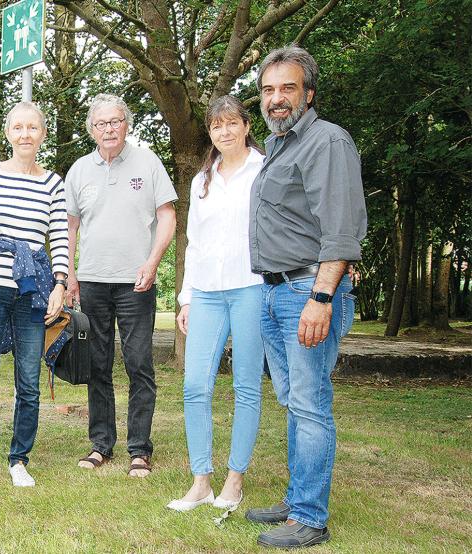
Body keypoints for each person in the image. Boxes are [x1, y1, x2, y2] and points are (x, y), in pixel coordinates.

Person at [244, 45, 367, 549]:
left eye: (288, 88)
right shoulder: (278, 146)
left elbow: (340, 232)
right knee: (293, 401)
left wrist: (321, 296)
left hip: (307, 291)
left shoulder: (327, 142)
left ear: (308, 93)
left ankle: (311, 517)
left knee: (311, 404)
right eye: (269, 90)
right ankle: (297, 501)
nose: (277, 99)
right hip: (277, 291)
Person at [65, 94, 177, 477]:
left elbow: (167, 216)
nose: (109, 129)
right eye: (101, 124)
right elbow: (70, 227)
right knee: (97, 365)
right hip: (93, 281)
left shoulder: (148, 163)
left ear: (127, 124)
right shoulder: (80, 170)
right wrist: (70, 273)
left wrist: (153, 262)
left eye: (115, 122)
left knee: (138, 363)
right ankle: (101, 445)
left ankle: (139, 449)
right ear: (92, 130)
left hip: (136, 282)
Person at [165, 96, 265, 512]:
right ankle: (201, 480)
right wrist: (186, 297)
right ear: (210, 133)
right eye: (216, 126)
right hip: (206, 292)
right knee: (194, 386)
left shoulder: (265, 169)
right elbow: (194, 242)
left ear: (245, 125)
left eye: (231, 124)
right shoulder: (201, 180)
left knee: (245, 385)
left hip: (251, 287)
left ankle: (234, 479)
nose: (224, 132)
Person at [0, 101, 68, 488]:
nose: (26, 135)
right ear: (8, 132)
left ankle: (19, 458)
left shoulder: (53, 183)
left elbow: (58, 235)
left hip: (33, 290)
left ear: (42, 133)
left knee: (29, 380)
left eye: (33, 128)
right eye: (18, 128)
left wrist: (60, 283)